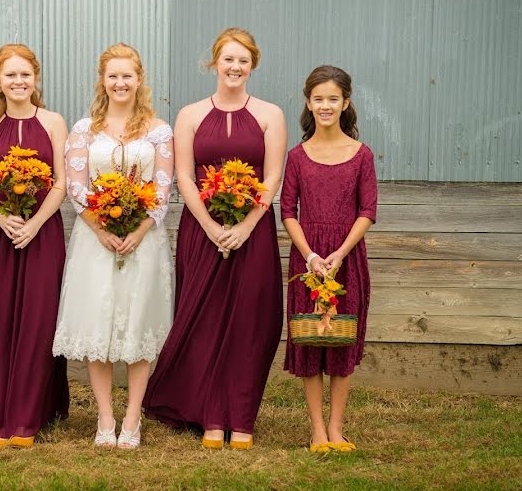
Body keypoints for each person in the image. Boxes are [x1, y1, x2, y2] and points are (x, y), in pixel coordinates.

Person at [143, 28, 286, 450]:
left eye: (243, 61)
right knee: (202, 319)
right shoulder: (188, 115)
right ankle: (208, 414)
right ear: (215, 63)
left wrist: (244, 226)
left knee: (249, 321)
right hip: (201, 231)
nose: (235, 68)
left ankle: (240, 417)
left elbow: (272, 175)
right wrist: (209, 225)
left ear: (252, 65)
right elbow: (184, 176)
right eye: (228, 60)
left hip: (253, 230)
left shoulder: (270, 114)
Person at [52, 43, 174, 449]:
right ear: (102, 80)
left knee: (139, 322)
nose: (121, 83)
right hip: (95, 240)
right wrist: (101, 228)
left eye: (128, 76)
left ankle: (133, 417)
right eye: (113, 76)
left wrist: (138, 231)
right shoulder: (84, 129)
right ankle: (105, 417)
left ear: (139, 80)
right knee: (97, 322)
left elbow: (161, 187)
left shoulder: (159, 130)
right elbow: (76, 186)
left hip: (144, 240)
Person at [0, 44, 69, 447]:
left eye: (25, 74)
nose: (18, 81)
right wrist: (1, 216)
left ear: (36, 77)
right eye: (10, 75)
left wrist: (35, 223)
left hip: (43, 232)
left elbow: (60, 182)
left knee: (38, 321)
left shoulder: (54, 122)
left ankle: (27, 417)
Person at [280, 65, 377, 453]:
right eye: (318, 99)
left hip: (346, 258)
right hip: (310, 261)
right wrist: (310, 254)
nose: (325, 105)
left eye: (333, 99)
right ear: (308, 102)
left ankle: (337, 428)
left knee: (341, 340)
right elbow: (288, 210)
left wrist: (339, 253)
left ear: (346, 103)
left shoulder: (361, 155)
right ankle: (317, 430)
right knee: (310, 339)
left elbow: (367, 210)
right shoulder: (298, 156)